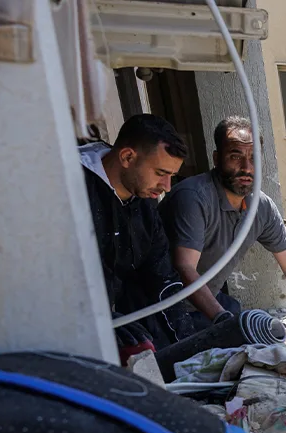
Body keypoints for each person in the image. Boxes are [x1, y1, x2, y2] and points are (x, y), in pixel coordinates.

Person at [160, 116, 286, 334]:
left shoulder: (262, 207)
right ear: (217, 158)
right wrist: (222, 320)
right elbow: (185, 267)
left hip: (206, 303)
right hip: (163, 307)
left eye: (253, 158)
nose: (246, 168)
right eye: (235, 156)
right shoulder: (193, 198)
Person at [79, 114, 197, 360]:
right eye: (160, 173)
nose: (166, 185)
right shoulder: (71, 187)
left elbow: (163, 277)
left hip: (116, 314)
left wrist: (191, 346)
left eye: (171, 176)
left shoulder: (144, 202)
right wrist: (102, 319)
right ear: (127, 157)